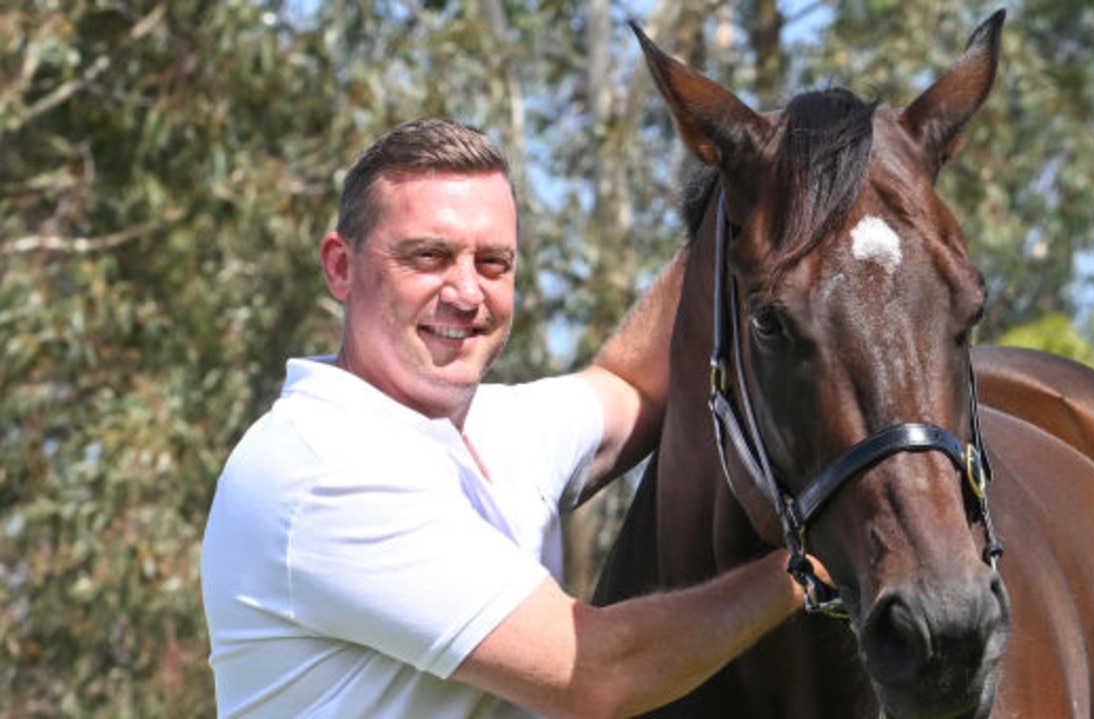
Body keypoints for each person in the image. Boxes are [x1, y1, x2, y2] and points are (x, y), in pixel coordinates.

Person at [201, 117, 811, 719]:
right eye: (429, 257)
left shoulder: (490, 428)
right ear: (340, 266)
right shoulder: (323, 466)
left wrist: (752, 202)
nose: (466, 293)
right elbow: (597, 673)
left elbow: (631, 386)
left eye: (493, 263)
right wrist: (807, 568)